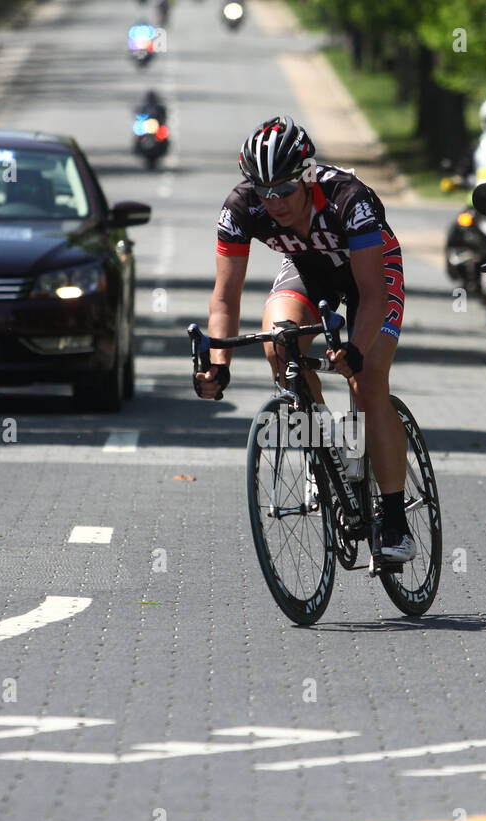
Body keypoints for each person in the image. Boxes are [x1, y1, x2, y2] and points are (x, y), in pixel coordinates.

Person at [194, 115, 416, 562]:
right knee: (279, 343)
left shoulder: (348, 198)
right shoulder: (241, 208)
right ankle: (327, 444)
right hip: (306, 269)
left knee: (367, 380)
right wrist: (218, 364)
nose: (273, 201)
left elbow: (372, 294)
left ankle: (395, 520)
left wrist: (353, 350)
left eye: (283, 190)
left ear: (306, 175)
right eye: (263, 191)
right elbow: (224, 298)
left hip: (369, 272)